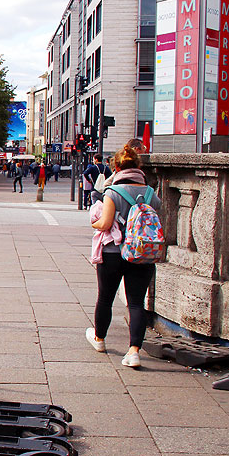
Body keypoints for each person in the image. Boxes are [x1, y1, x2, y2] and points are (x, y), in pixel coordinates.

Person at [87, 146, 161, 368]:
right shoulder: (150, 193)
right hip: (142, 253)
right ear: (138, 167)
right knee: (136, 303)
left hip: (113, 253)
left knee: (105, 298)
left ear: (116, 168)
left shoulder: (113, 192)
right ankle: (134, 351)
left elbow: (106, 223)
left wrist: (95, 222)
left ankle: (99, 339)